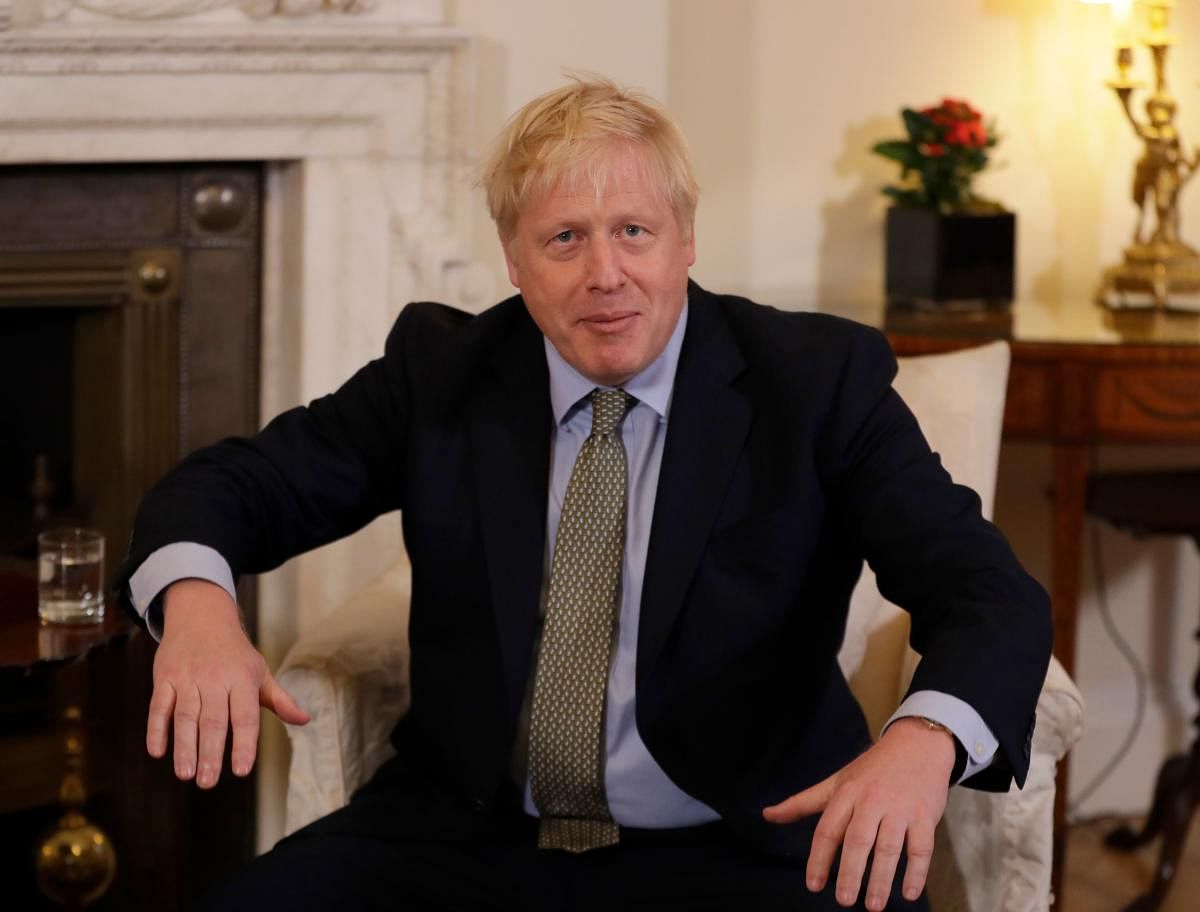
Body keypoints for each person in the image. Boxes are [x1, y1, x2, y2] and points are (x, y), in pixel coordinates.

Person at [117, 77, 1052, 912]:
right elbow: (231, 485)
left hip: (751, 840)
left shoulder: (812, 383)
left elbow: (987, 595)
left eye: (633, 232)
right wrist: (198, 609)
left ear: (686, 239)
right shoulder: (443, 373)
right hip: (466, 838)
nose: (605, 273)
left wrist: (920, 742)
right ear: (515, 261)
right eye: (564, 238)